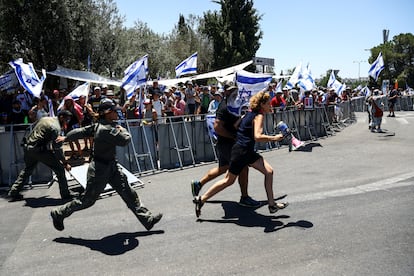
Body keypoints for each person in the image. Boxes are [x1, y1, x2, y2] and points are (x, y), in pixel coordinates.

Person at [50, 98, 162, 231]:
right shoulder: (106, 129)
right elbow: (126, 139)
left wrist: (66, 137)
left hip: (111, 166)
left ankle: (147, 219)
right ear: (108, 112)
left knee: (128, 192)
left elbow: (81, 131)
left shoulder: (99, 125)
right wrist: (122, 129)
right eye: (115, 111)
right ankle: (58, 213)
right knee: (86, 201)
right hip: (99, 170)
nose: (117, 113)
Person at [193, 91, 288, 217]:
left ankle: (271, 204)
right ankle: (202, 199)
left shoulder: (249, 113)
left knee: (268, 172)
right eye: (268, 103)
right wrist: (275, 138)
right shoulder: (259, 115)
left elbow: (236, 124)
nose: (271, 105)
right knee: (228, 180)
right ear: (262, 104)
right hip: (243, 151)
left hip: (244, 150)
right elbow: (257, 136)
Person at [191, 84, 260, 208]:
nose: (235, 92)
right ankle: (244, 197)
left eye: (235, 90)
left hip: (226, 143)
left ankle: (199, 184)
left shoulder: (234, 105)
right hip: (228, 144)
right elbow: (218, 127)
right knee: (243, 167)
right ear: (226, 92)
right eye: (232, 90)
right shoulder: (224, 107)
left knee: (223, 167)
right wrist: (233, 136)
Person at [7, 110, 75, 201]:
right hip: (38, 150)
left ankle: (14, 191)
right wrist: (65, 163)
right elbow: (57, 148)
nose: (67, 122)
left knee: (28, 170)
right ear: (61, 117)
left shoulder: (45, 118)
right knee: (59, 169)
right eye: (66, 120)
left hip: (28, 147)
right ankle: (65, 194)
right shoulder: (56, 128)